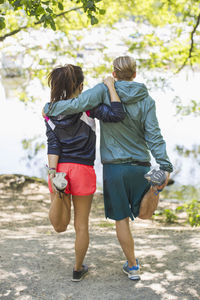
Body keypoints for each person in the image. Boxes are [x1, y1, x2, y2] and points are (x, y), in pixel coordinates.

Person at [43, 56, 173, 281]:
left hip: (96, 168)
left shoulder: (97, 93)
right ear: (134, 74)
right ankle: (154, 189)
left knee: (110, 221)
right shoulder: (146, 100)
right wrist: (164, 163)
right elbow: (152, 134)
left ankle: (132, 267)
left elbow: (71, 111)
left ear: (113, 73)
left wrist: (49, 108)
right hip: (125, 165)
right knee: (131, 216)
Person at [45, 64, 126, 282]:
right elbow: (118, 113)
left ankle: (60, 192)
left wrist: (52, 172)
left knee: (59, 226)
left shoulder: (50, 110)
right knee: (81, 225)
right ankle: (78, 268)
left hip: (59, 169)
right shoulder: (89, 108)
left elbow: (53, 143)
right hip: (83, 171)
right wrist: (110, 86)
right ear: (81, 86)